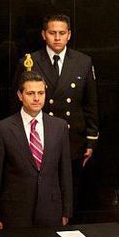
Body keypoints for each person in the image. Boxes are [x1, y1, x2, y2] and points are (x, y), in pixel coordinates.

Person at [12, 14, 98, 210]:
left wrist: (91, 140)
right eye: (52, 33)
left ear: (69, 35)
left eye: (62, 33)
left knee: (70, 194)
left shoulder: (83, 62)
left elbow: (90, 104)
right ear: (44, 35)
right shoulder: (30, 61)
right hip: (38, 140)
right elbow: (15, 104)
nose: (57, 38)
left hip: (72, 139)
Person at [0, 71, 72, 228]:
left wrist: (66, 212)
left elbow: (65, 173)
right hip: (15, 213)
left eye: (41, 93)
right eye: (31, 93)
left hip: (51, 211)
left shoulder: (60, 127)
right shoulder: (2, 129)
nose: (37, 98)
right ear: (20, 95)